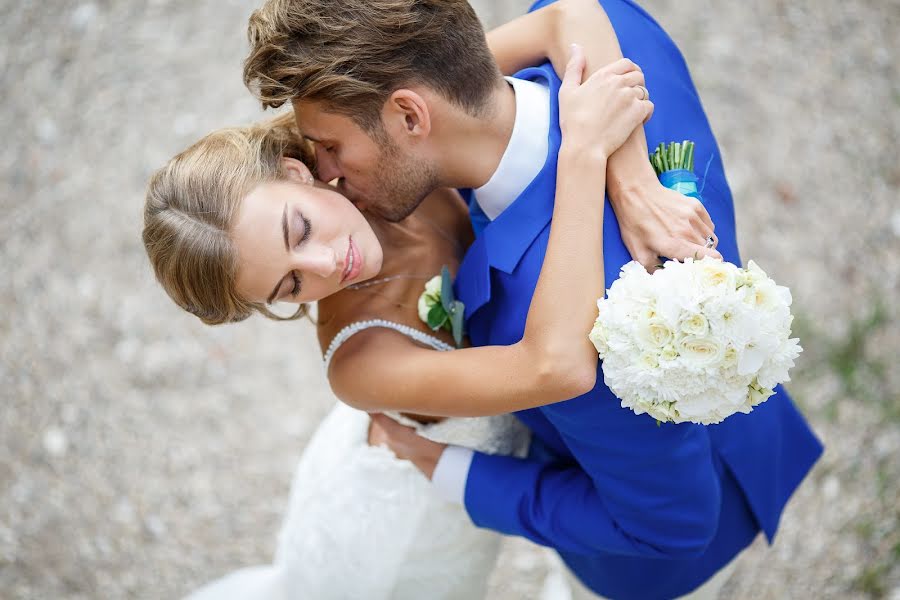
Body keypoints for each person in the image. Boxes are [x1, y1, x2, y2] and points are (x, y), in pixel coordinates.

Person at [239, 0, 824, 599]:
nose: (328, 173)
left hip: (658, 559)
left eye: (331, 146)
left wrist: (451, 470)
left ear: (410, 116)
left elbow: (669, 525)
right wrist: (621, 171)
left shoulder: (584, 325)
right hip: (741, 412)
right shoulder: (616, 36)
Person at [145, 4, 665, 599]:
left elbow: (566, 19)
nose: (324, 268)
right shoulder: (361, 365)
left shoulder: (378, 140)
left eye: (301, 230)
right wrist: (583, 154)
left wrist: (633, 183)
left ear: (296, 171)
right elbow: (558, 367)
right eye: (289, 287)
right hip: (396, 543)